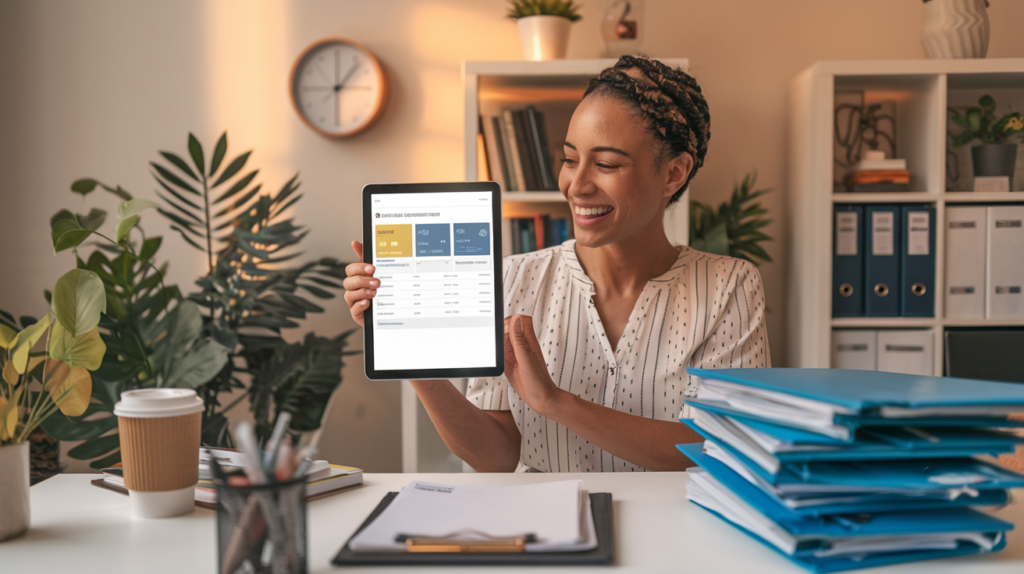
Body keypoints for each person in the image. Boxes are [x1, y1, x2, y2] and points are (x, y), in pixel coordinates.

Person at [344, 55, 769, 473]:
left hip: (676, 533)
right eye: (569, 159)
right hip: (547, 530)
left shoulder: (728, 286)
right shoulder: (514, 278)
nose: (577, 185)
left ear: (674, 174)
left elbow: (720, 448)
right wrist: (410, 354)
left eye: (605, 164)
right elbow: (495, 457)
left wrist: (556, 402)